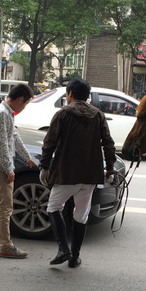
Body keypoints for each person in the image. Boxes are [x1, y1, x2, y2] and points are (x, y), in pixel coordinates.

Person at [39, 78, 116, 268]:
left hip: (66, 173)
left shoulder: (62, 114)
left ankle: (63, 248)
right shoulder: (98, 115)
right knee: (81, 215)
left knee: (53, 207)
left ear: (70, 94)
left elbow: (49, 143)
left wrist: (44, 166)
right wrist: (110, 169)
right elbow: (109, 143)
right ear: (87, 96)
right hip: (90, 176)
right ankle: (74, 257)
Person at [0, 83, 38, 259]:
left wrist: (26, 156)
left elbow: (13, 136)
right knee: (5, 208)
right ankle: (6, 246)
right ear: (20, 99)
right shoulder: (2, 114)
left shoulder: (5, 112)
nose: (23, 108)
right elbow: (2, 145)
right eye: (25, 104)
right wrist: (9, 170)